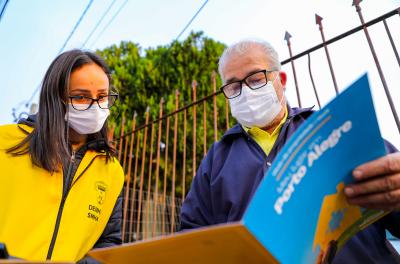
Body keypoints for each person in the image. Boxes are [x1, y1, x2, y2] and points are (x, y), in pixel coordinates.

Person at [180, 39, 400, 263]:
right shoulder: (216, 159)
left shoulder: (335, 129)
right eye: (234, 86)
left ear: (281, 80)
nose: (245, 92)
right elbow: (191, 237)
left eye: (256, 79)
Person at [0, 50, 124, 262]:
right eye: (81, 97)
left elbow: (108, 243)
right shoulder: (5, 142)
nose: (95, 105)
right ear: (55, 97)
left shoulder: (112, 171)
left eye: (102, 96)